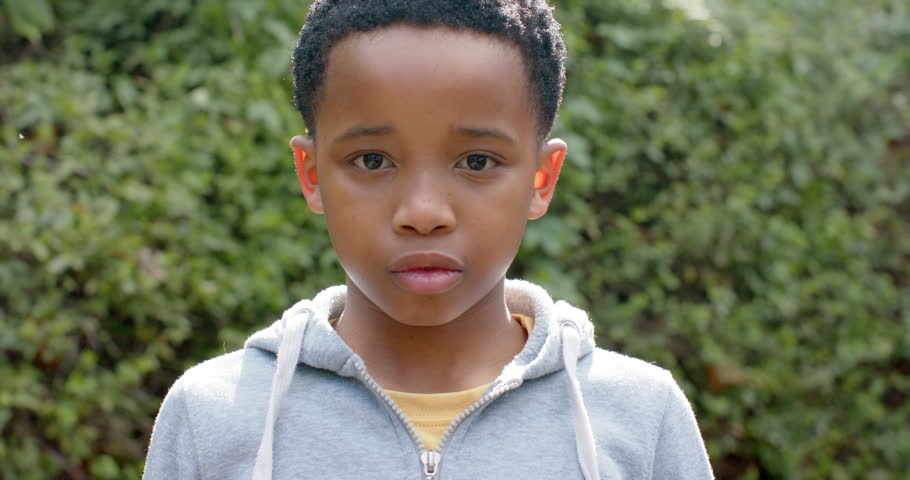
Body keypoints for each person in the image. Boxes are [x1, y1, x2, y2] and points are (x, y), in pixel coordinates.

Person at [143, 1, 714, 478]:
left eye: (476, 161)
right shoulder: (214, 418)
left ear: (541, 180)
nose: (424, 213)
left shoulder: (640, 416)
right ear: (311, 174)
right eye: (372, 160)